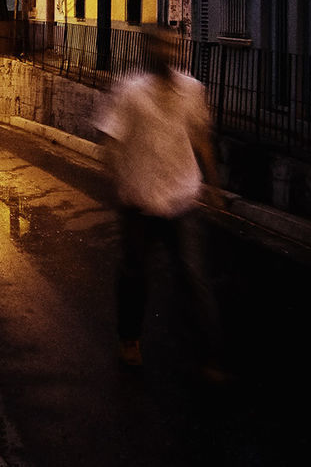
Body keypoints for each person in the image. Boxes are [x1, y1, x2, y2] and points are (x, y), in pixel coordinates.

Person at [94, 26, 227, 379]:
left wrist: (213, 184)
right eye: (160, 45)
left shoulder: (191, 90)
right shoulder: (130, 92)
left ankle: (209, 355)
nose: (168, 51)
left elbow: (200, 136)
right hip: (139, 198)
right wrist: (117, 178)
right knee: (135, 272)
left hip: (182, 196)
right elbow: (108, 136)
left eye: (173, 45)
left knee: (193, 276)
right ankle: (129, 338)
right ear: (149, 49)